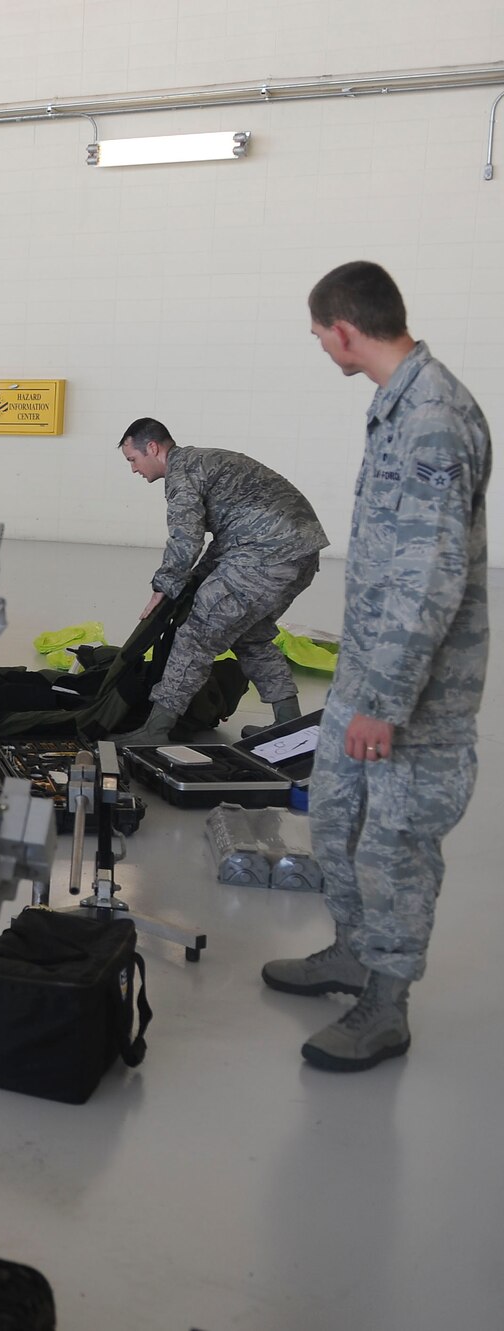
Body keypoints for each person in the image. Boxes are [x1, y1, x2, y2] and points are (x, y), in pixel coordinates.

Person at [261, 261, 490, 1073]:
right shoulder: (396, 406)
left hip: (414, 691)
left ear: (345, 329)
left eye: (320, 333)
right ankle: (352, 952)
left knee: (392, 842)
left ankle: (386, 1005)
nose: (322, 345)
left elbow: (430, 575)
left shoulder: (432, 417)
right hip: (368, 666)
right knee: (336, 815)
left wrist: (385, 703)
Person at [109, 417, 328, 746]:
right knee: (250, 637)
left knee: (196, 636)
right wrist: (194, 579)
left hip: (263, 555)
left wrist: (164, 587)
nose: (134, 470)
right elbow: (227, 538)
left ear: (152, 448)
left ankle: (154, 730)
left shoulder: (182, 474)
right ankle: (289, 726)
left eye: (133, 460)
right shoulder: (206, 461)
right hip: (301, 554)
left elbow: (186, 538)